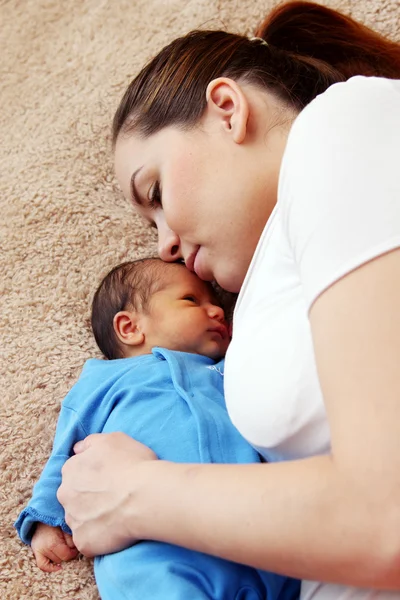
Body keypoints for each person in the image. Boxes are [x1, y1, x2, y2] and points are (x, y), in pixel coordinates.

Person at [56, 1, 400, 598]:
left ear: (226, 109)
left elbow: (386, 516)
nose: (163, 245)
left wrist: (133, 496)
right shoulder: (264, 296)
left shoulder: (340, 125)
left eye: (156, 191)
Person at [15, 258, 300, 600]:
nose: (217, 312)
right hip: (153, 547)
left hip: (250, 527)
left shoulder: (231, 368)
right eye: (192, 301)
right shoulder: (105, 380)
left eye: (214, 303)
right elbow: (66, 453)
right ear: (129, 327)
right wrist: (45, 519)